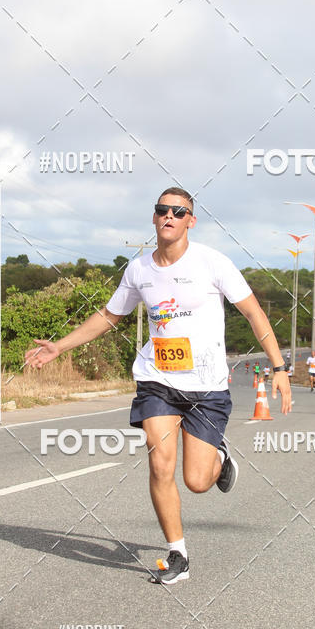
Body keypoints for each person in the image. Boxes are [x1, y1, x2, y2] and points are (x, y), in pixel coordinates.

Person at [25, 188, 291, 585]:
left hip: (206, 387)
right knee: (159, 462)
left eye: (178, 211)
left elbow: (254, 314)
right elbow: (109, 316)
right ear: (154, 218)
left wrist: (280, 367)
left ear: (190, 221)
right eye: (162, 210)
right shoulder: (139, 270)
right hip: (157, 381)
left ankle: (220, 458)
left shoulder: (213, 263)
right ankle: (177, 553)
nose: (169, 216)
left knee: (197, 481)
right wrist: (58, 347)